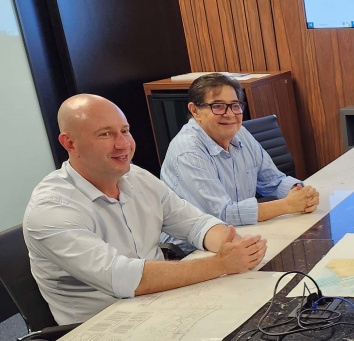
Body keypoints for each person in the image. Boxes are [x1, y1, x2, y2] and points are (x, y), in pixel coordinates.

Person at [23, 94, 267, 325]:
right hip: (105, 329)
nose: (123, 145)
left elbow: (195, 223)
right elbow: (121, 277)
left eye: (125, 131)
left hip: (164, 303)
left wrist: (231, 245)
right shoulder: (51, 208)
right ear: (70, 143)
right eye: (105, 134)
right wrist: (221, 264)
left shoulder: (136, 177)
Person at [159, 73, 318, 246]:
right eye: (218, 106)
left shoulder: (239, 132)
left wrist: (301, 193)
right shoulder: (188, 151)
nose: (230, 114)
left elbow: (274, 180)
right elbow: (223, 215)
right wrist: (288, 205)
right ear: (195, 110)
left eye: (235, 105)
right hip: (191, 251)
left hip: (240, 234)